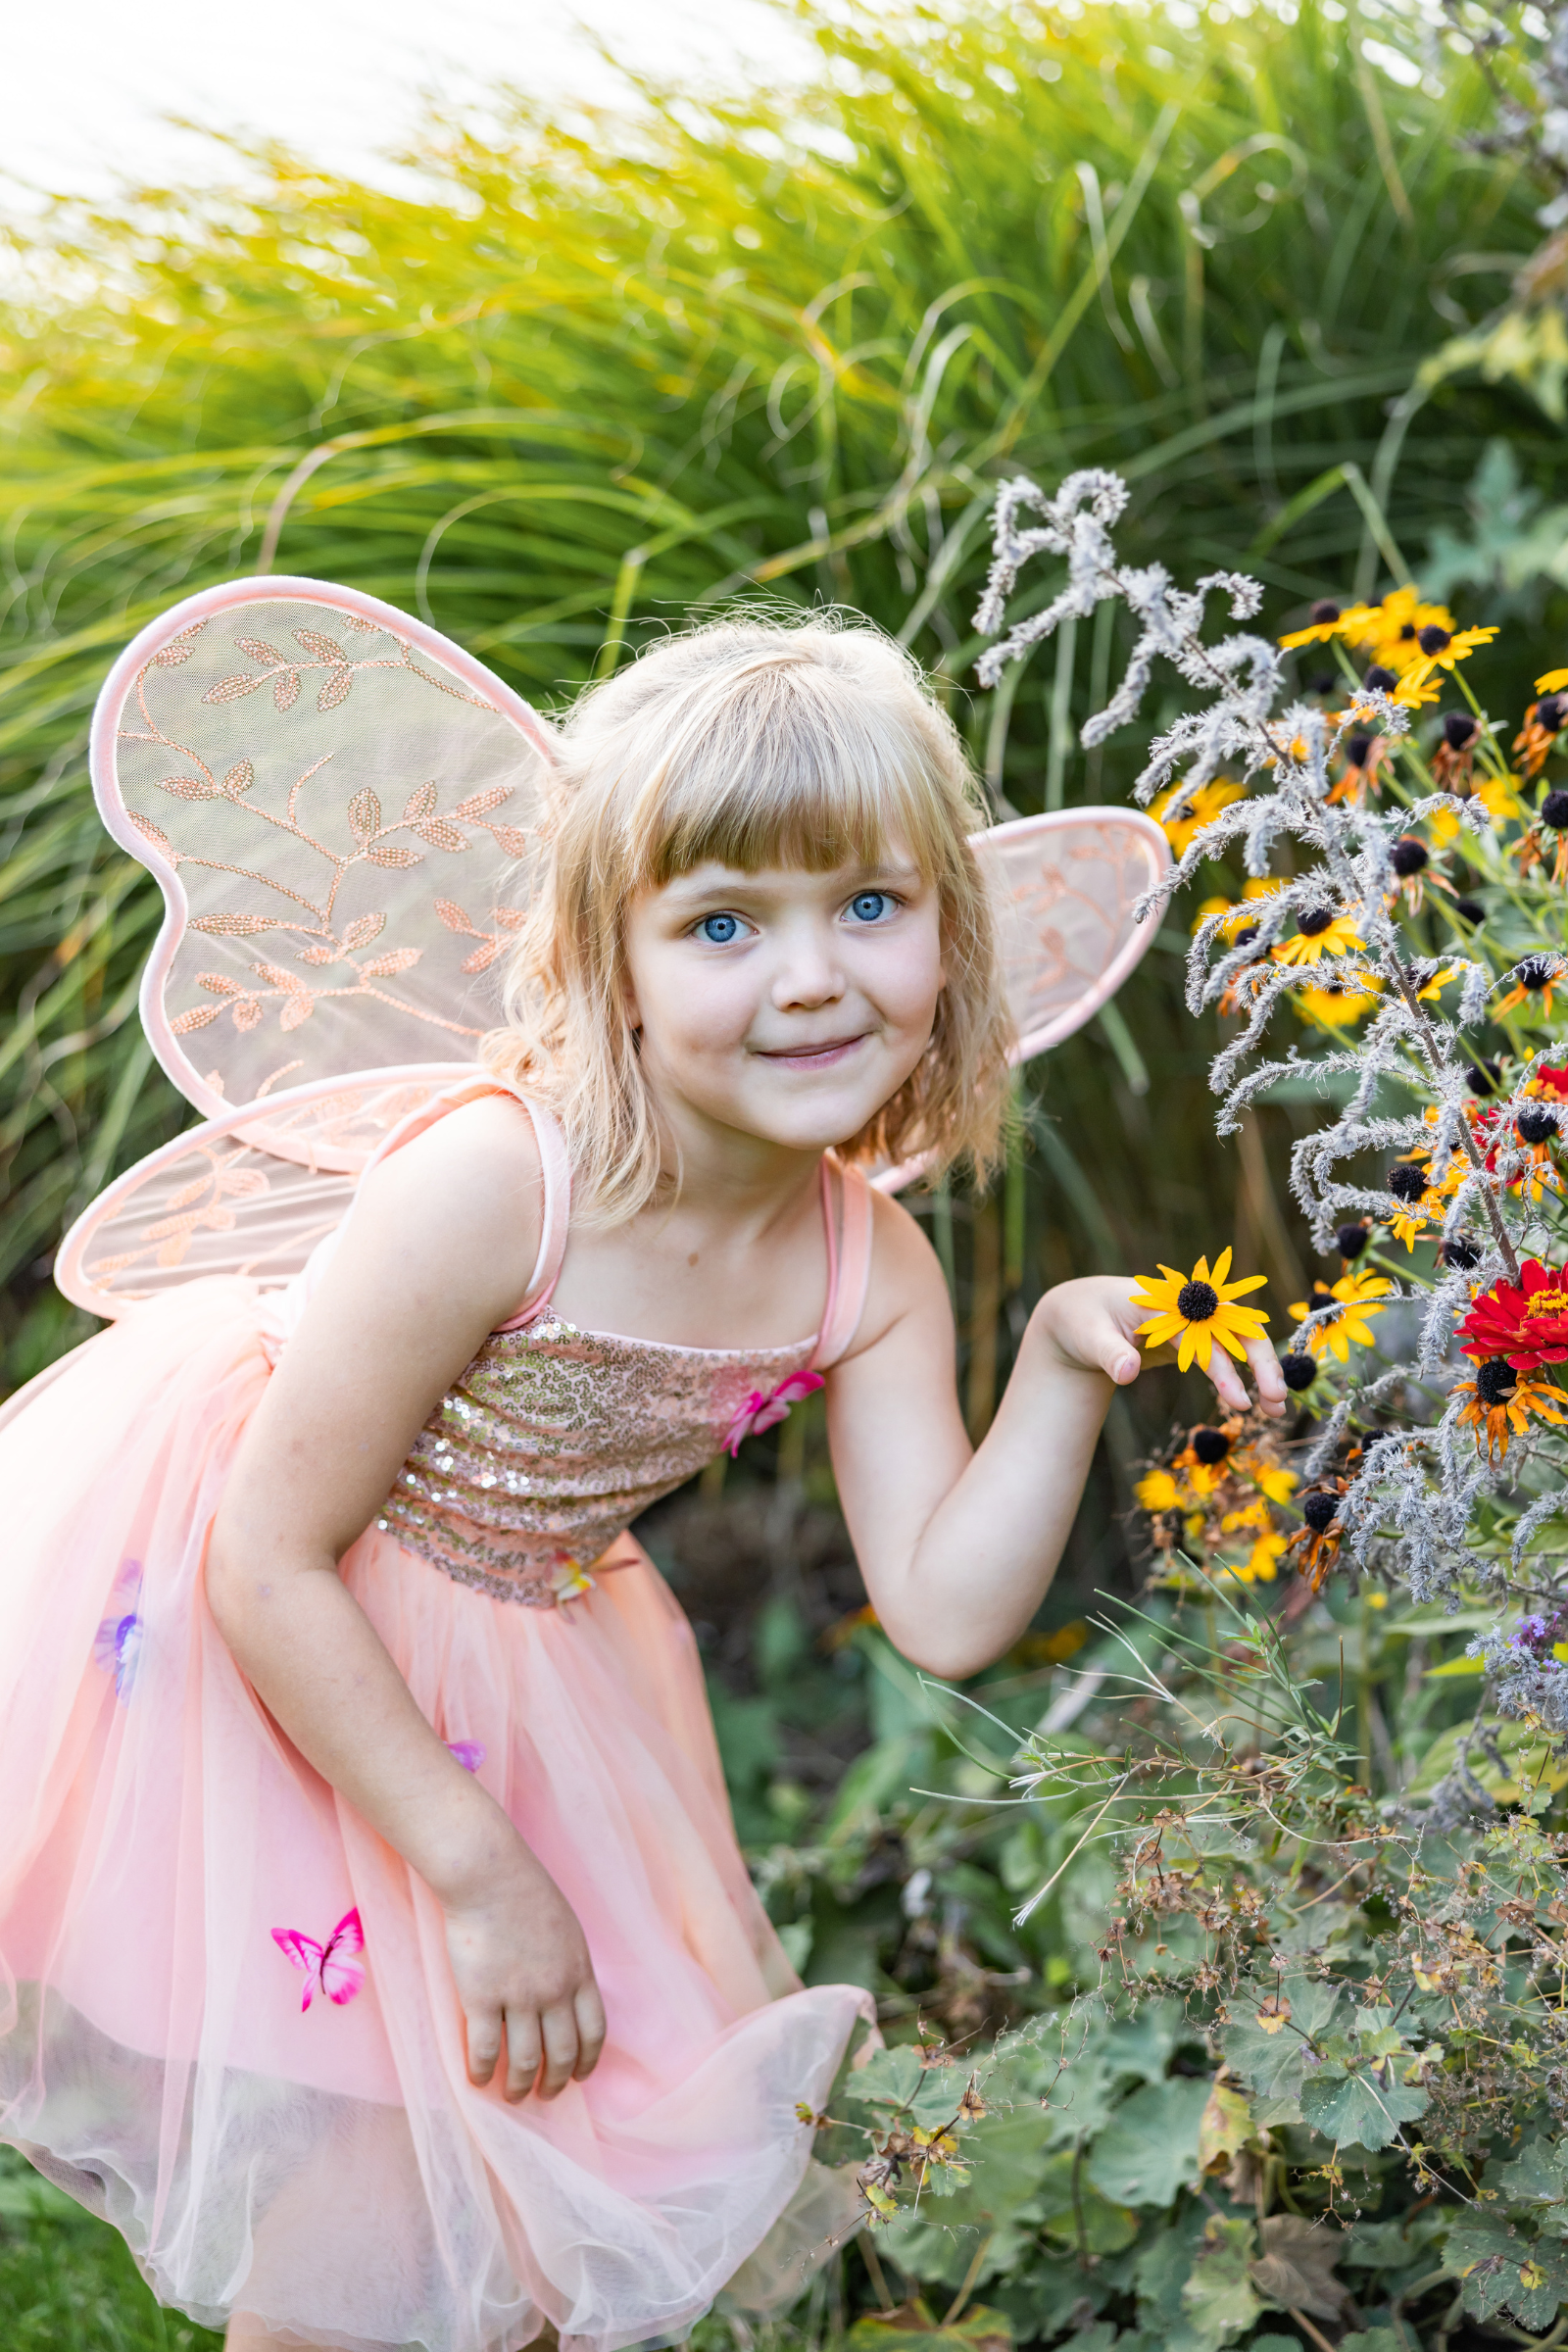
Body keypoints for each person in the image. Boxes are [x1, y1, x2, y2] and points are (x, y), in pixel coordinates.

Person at [0, 609, 1285, 2352]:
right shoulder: (497, 1184)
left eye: (871, 904)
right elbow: (267, 1557)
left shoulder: (867, 1268)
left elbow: (945, 1609)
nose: (812, 976)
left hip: (531, 1657)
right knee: (377, 2209)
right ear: (608, 964)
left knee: (538, 2180)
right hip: (274, 1627)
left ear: (954, 933)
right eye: (724, 924)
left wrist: (1059, 1359)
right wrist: (479, 1872)